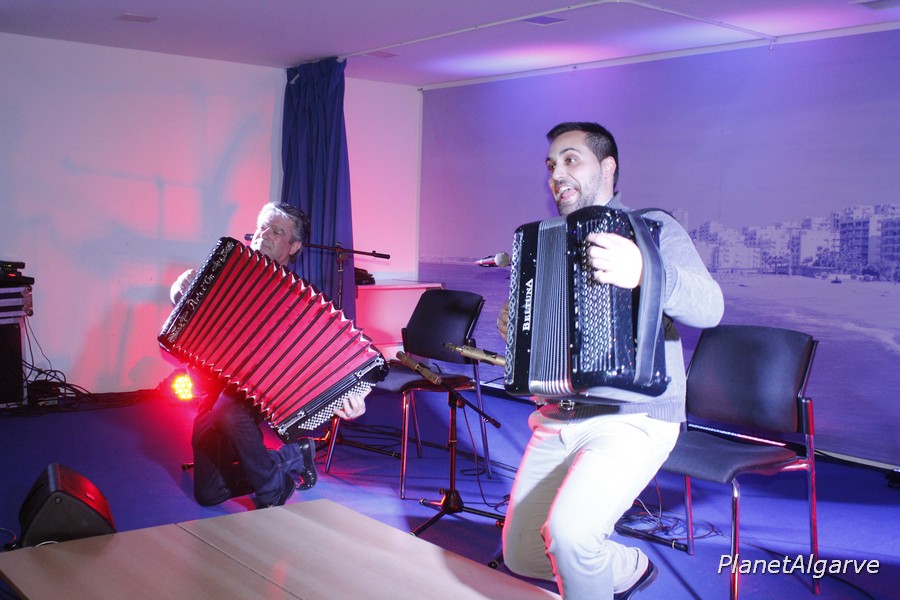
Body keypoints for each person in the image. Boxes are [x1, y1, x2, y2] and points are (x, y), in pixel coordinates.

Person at [497, 122, 724, 599]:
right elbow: (546, 335)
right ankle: (630, 568)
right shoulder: (546, 242)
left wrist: (645, 270)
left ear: (607, 167)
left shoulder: (651, 227)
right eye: (551, 165)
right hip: (558, 416)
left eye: (570, 160)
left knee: (571, 536)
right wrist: (517, 326)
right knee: (523, 554)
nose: (556, 174)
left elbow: (710, 307)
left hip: (634, 416)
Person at [170, 202, 368, 509]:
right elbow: (185, 300)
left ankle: (273, 490)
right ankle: (293, 456)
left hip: (252, 392)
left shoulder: (299, 300)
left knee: (229, 411)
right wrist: (179, 286)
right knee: (208, 493)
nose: (264, 234)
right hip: (212, 389)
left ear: (294, 246)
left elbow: (325, 356)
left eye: (276, 231)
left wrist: (351, 396)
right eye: (262, 227)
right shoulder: (224, 269)